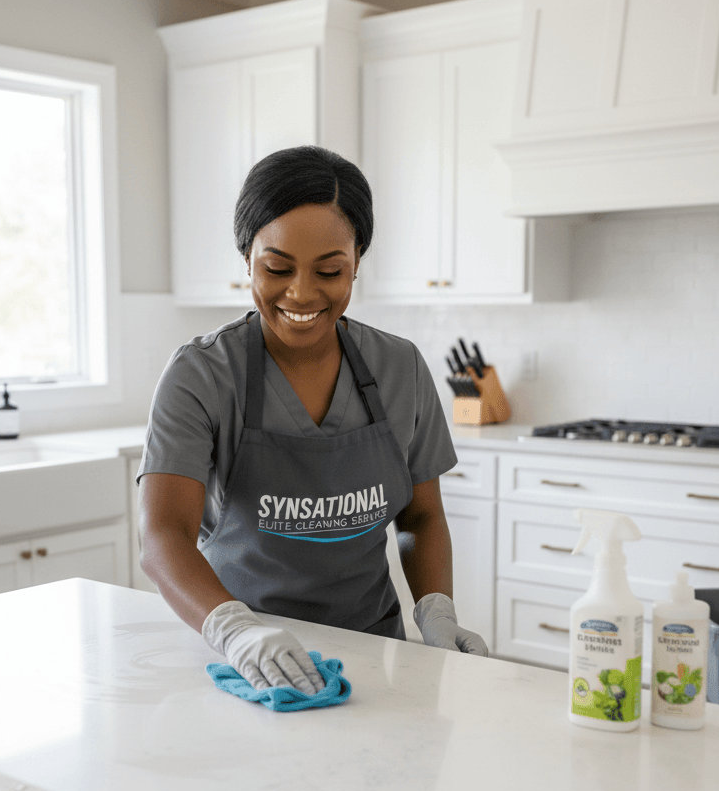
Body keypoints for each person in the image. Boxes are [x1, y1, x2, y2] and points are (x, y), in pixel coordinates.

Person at [138, 145, 487, 696]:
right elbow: (163, 535)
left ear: (357, 263)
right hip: (243, 664)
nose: (302, 293)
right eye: (277, 268)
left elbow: (421, 518)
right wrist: (235, 631)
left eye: (330, 271)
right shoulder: (203, 375)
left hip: (378, 660)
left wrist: (436, 613)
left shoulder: (400, 369)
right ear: (246, 259)